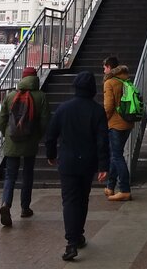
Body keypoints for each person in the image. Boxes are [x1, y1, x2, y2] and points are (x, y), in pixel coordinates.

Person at [46, 71, 109, 261]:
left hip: (67, 162)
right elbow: (102, 141)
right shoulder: (97, 111)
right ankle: (78, 235)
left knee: (70, 200)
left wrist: (51, 155)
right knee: (83, 198)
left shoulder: (63, 109)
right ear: (92, 89)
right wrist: (103, 165)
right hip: (87, 163)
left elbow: (51, 135)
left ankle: (71, 242)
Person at [0, 66, 50, 226]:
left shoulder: (11, 95)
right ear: (35, 78)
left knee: (10, 175)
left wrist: (7, 135)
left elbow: (1, 120)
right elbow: (45, 122)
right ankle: (25, 208)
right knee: (27, 174)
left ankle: (6, 204)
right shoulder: (41, 96)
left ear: (23, 78)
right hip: (30, 140)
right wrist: (37, 136)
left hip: (12, 140)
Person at [102, 55, 135, 202]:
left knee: (117, 156)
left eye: (104, 67)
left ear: (109, 67)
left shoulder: (109, 82)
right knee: (116, 155)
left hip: (115, 124)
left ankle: (125, 190)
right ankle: (110, 186)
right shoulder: (125, 79)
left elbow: (108, 106)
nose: (103, 70)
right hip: (127, 123)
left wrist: (103, 120)